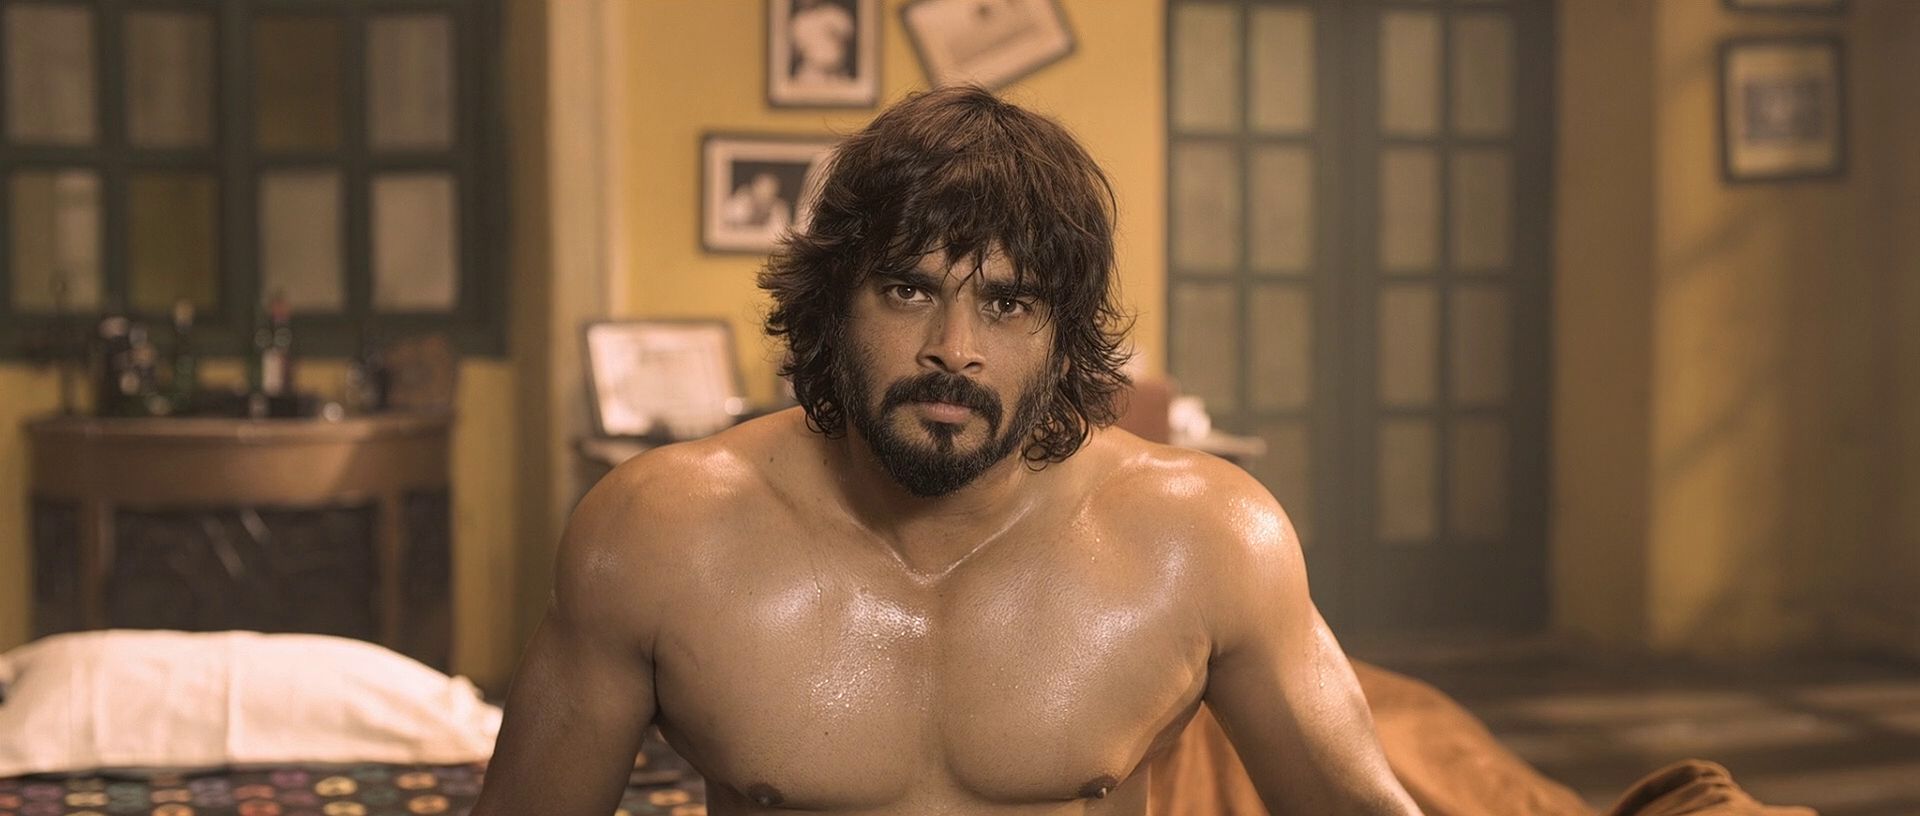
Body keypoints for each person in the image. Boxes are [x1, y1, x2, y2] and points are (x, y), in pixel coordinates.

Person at [471, 86, 1421, 815]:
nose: (953, 348)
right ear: (833, 309)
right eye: (908, 290)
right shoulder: (653, 533)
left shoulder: (1211, 540)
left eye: (1008, 303)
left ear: (1064, 340)